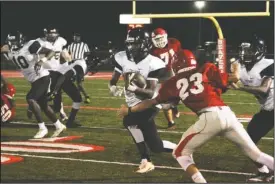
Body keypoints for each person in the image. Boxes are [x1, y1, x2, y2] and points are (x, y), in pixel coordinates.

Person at [118, 45, 274, 183]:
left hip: (209, 117)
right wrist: (235, 68)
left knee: (179, 152)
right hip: (228, 114)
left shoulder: (172, 83)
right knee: (256, 154)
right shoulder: (207, 68)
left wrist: (129, 110)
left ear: (176, 65)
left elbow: (151, 102)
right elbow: (233, 80)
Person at [109, 27, 176, 173]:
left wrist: (133, 89)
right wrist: (112, 86)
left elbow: (150, 93)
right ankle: (149, 158)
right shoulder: (122, 57)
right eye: (129, 43)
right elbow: (114, 77)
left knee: (130, 121)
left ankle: (148, 159)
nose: (131, 47)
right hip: (133, 102)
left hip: (151, 103)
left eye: (135, 44)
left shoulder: (154, 62)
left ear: (145, 44)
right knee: (154, 144)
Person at [2, 31, 66, 138]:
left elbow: (51, 52)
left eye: (14, 42)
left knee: (30, 98)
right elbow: (6, 52)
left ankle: (42, 128)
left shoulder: (30, 45)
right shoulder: (9, 50)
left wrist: (41, 61)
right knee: (44, 105)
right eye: (11, 42)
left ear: (20, 40)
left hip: (42, 77)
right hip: (34, 80)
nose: (12, 45)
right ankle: (59, 125)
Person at [229, 35, 274, 182]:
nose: (245, 53)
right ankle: (264, 171)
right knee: (247, 142)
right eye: (243, 50)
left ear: (259, 51)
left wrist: (242, 88)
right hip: (268, 110)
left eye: (249, 50)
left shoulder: (268, 64)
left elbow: (264, 89)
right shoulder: (239, 67)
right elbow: (230, 79)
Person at [151, 27, 181, 129]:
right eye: (157, 39)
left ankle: (174, 107)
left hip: (171, 73)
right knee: (160, 99)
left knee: (176, 96)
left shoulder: (174, 43)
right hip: (157, 76)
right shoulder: (152, 50)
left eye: (161, 38)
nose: (159, 42)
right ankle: (171, 122)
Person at [67, 33, 91, 103]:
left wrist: (83, 57)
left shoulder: (84, 45)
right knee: (76, 83)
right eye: (74, 37)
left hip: (80, 62)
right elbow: (68, 54)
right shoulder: (70, 45)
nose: (75, 38)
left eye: (77, 37)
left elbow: (87, 52)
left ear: (79, 38)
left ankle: (86, 96)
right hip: (73, 63)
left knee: (79, 83)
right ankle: (84, 96)